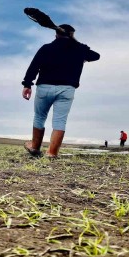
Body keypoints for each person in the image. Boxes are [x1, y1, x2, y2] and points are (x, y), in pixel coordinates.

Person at [22, 24, 100, 158]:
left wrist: (27, 84)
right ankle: (52, 153)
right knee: (60, 121)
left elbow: (34, 67)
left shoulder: (46, 48)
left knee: (40, 117)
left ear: (56, 35)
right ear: (71, 35)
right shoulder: (79, 49)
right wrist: (77, 44)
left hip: (45, 87)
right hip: (66, 89)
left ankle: (35, 147)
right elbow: (95, 56)